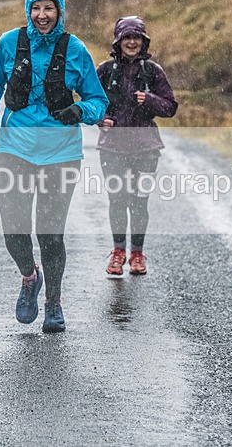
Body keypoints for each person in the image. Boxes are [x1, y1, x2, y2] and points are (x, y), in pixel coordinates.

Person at [0, 0, 108, 333]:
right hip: (14, 148)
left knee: (50, 235)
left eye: (49, 9)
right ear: (28, 10)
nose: (42, 15)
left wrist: (79, 111)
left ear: (60, 12)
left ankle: (53, 303)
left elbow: (99, 102)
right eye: (36, 9)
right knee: (13, 232)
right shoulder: (9, 43)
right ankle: (29, 277)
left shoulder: (75, 49)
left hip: (60, 154)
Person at [97, 16, 178, 276]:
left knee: (139, 202)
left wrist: (150, 99)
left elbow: (170, 107)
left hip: (146, 150)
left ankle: (137, 254)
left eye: (136, 38)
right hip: (112, 148)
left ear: (143, 41)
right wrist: (100, 119)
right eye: (126, 38)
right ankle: (118, 252)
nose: (131, 42)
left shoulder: (153, 71)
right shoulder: (105, 70)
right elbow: (90, 101)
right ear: (118, 42)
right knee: (117, 201)